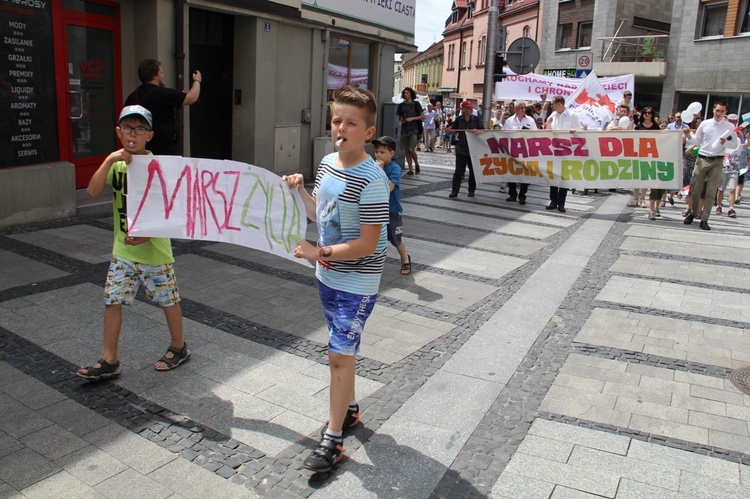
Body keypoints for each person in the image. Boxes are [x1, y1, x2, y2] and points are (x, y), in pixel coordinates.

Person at [282, 86, 389, 473]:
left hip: (356, 284)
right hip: (327, 278)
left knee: (338, 355)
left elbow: (367, 244)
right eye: (336, 120)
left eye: (351, 122)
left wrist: (319, 252)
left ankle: (332, 440)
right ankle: (351, 409)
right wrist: (301, 192)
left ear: (368, 131)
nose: (341, 127)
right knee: (341, 351)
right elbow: (319, 215)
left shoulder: (372, 179)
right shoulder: (327, 163)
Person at [76, 105, 189, 381]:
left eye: (140, 129)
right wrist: (108, 160)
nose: (133, 134)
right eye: (127, 128)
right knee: (112, 300)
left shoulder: (159, 168)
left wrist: (147, 235)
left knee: (168, 300)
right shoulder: (116, 165)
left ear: (149, 135)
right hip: (122, 250)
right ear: (118, 131)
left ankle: (179, 346)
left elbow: (170, 211)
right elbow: (91, 191)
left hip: (155, 251)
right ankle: (109, 359)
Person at [124, 59, 202, 155]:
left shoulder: (132, 96)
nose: (163, 75)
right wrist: (197, 80)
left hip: (140, 149)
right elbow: (192, 97)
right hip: (163, 150)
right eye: (161, 73)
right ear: (155, 76)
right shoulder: (163, 93)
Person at [684, 100, 736, 230]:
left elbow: (734, 145)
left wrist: (725, 143)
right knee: (696, 190)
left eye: (722, 111)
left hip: (717, 161)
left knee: (711, 192)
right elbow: (698, 140)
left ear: (725, 112)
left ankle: (704, 218)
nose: (719, 113)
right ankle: (694, 212)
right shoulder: (705, 123)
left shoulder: (729, 127)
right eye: (717, 110)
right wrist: (688, 136)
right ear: (713, 110)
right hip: (702, 158)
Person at [372, 136, 411, 275]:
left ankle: (405, 258)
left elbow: (388, 188)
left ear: (391, 153)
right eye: (377, 152)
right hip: (376, 210)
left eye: (382, 152)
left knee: (395, 239)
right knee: (372, 237)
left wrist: (380, 170)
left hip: (391, 210)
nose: (378, 155)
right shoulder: (373, 166)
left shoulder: (395, 169)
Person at [546, 96, 583, 213]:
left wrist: (575, 131)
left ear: (560, 104)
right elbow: (547, 131)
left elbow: (581, 129)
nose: (552, 106)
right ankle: (553, 200)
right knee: (554, 176)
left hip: (567, 151)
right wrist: (547, 123)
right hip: (555, 150)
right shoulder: (553, 116)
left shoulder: (572, 115)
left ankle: (561, 202)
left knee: (564, 177)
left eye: (553, 103)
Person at [503, 99, 538, 205]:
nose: (523, 110)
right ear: (516, 108)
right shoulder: (509, 121)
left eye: (524, 108)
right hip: (512, 150)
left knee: (525, 174)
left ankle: (522, 195)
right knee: (511, 172)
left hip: (526, 150)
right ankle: (512, 194)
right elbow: (504, 134)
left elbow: (535, 134)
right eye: (521, 107)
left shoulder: (530, 120)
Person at [447, 100, 483, 199]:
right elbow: (454, 130)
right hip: (461, 147)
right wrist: (450, 131)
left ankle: (471, 189)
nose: (471, 110)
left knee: (472, 170)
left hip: (473, 149)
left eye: (472, 108)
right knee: (458, 171)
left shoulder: (476, 119)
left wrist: (477, 131)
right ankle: (455, 191)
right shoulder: (459, 119)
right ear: (464, 109)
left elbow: (483, 131)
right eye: (469, 108)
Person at [716, 114, 744, 218]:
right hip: (724, 163)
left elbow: (741, 146)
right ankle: (719, 205)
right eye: (731, 121)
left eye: (735, 121)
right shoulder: (724, 130)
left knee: (732, 189)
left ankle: (731, 208)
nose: (733, 123)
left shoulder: (738, 133)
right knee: (721, 188)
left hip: (734, 165)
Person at [397, 87, 424, 175]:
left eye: (407, 93)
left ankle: (416, 164)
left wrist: (412, 118)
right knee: (406, 151)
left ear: (411, 94)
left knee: (411, 149)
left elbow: (422, 116)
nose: (406, 94)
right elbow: (400, 116)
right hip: (405, 129)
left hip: (414, 129)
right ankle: (411, 169)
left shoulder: (416, 104)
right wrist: (402, 119)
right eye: (404, 93)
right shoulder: (401, 105)